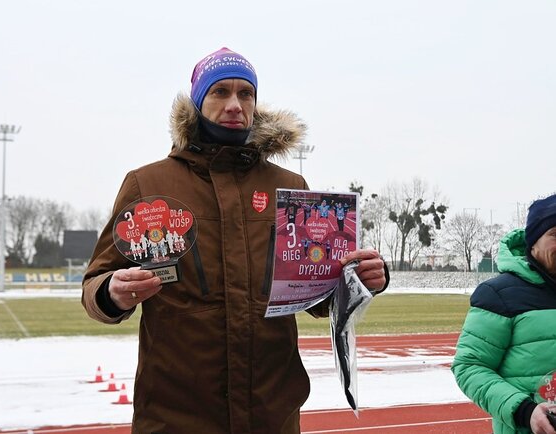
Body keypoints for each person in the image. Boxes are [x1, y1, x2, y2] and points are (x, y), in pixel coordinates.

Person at [82, 47, 388, 434]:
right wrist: (111, 291)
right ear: (197, 103)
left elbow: (316, 297)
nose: (234, 104)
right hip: (176, 418)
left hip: (271, 417)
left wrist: (359, 280)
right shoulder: (148, 184)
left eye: (246, 93)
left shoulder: (290, 187)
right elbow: (94, 284)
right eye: (220, 92)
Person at [452, 193, 556, 434]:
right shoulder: (499, 295)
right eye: (555, 234)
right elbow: (469, 366)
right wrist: (524, 411)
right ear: (533, 242)